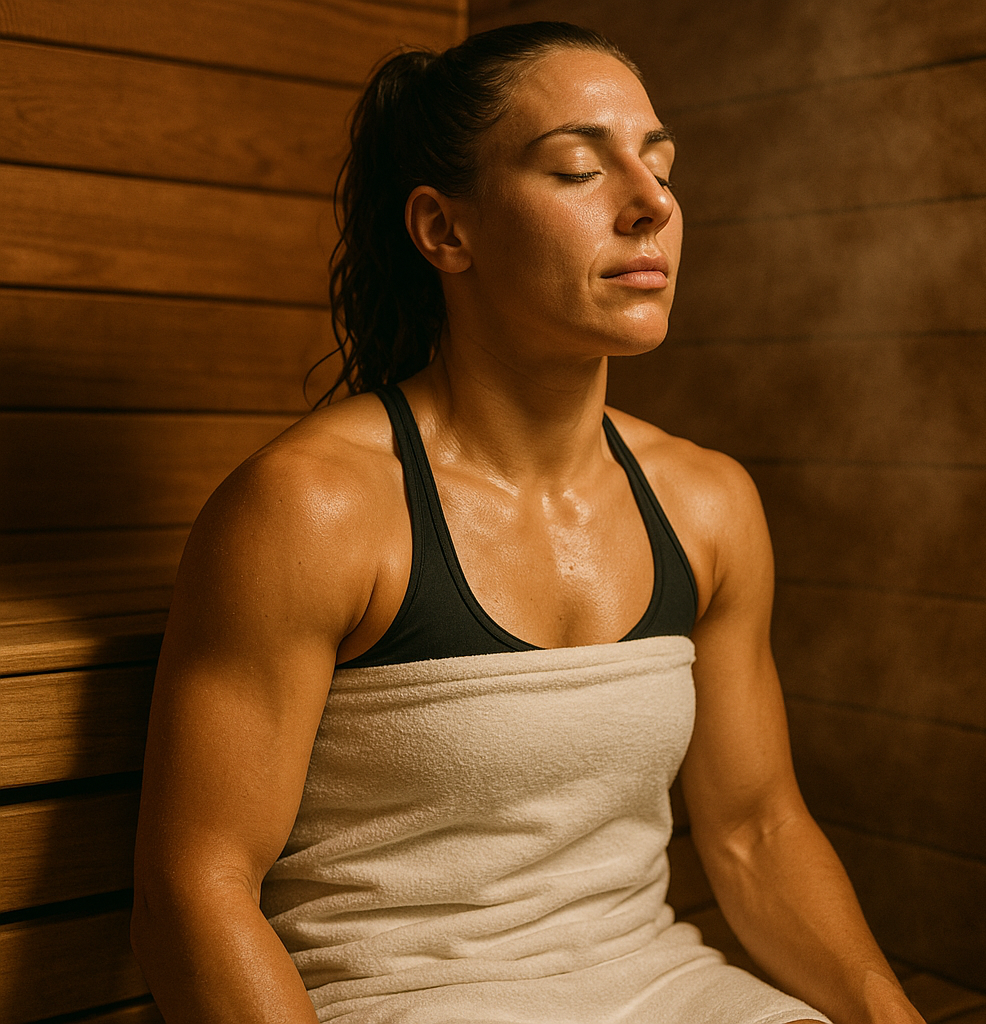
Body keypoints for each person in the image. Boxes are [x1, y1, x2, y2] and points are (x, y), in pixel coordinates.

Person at [131, 22, 927, 1024]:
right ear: (443, 231)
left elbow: (756, 831)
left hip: (658, 986)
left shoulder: (705, 502)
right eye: (578, 169)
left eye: (661, 164)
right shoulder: (315, 509)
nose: (651, 206)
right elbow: (192, 891)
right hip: (411, 999)